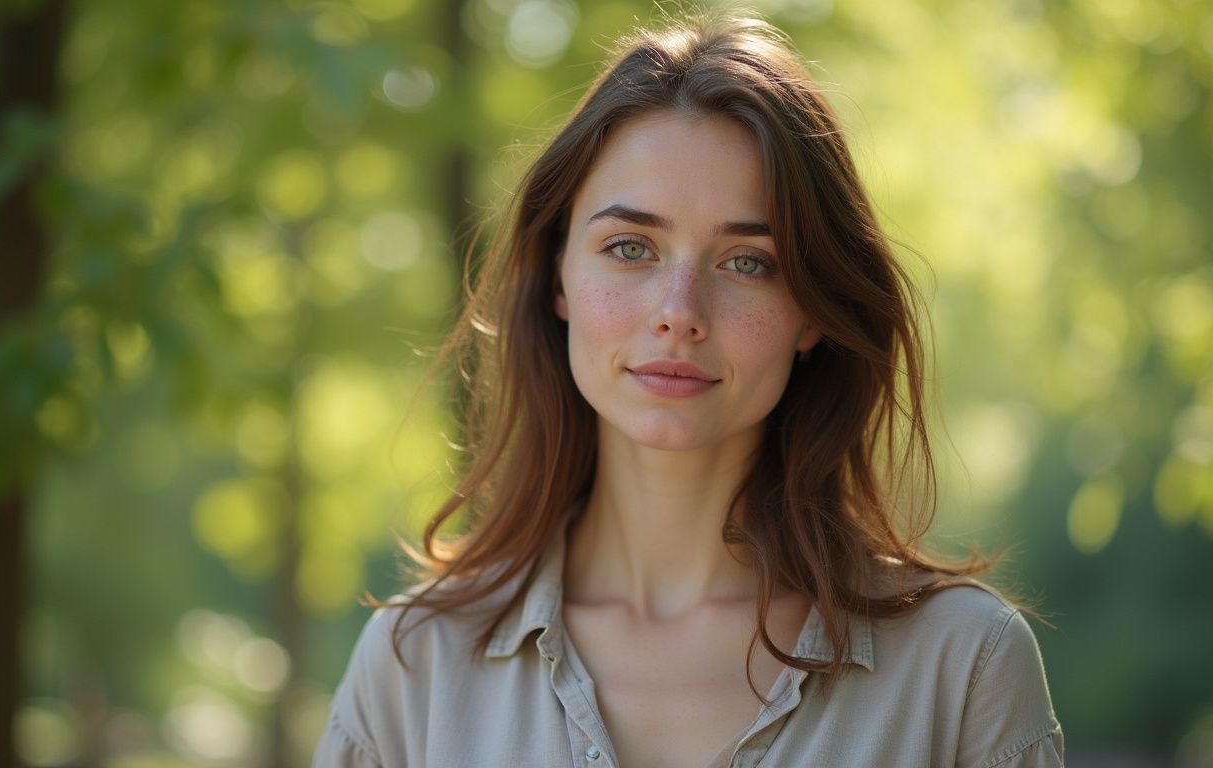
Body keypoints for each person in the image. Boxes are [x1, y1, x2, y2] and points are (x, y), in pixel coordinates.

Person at [315, 10, 1063, 768]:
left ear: (813, 312)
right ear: (559, 277)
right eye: (630, 247)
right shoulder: (416, 668)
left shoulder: (962, 667)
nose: (679, 314)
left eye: (748, 262)